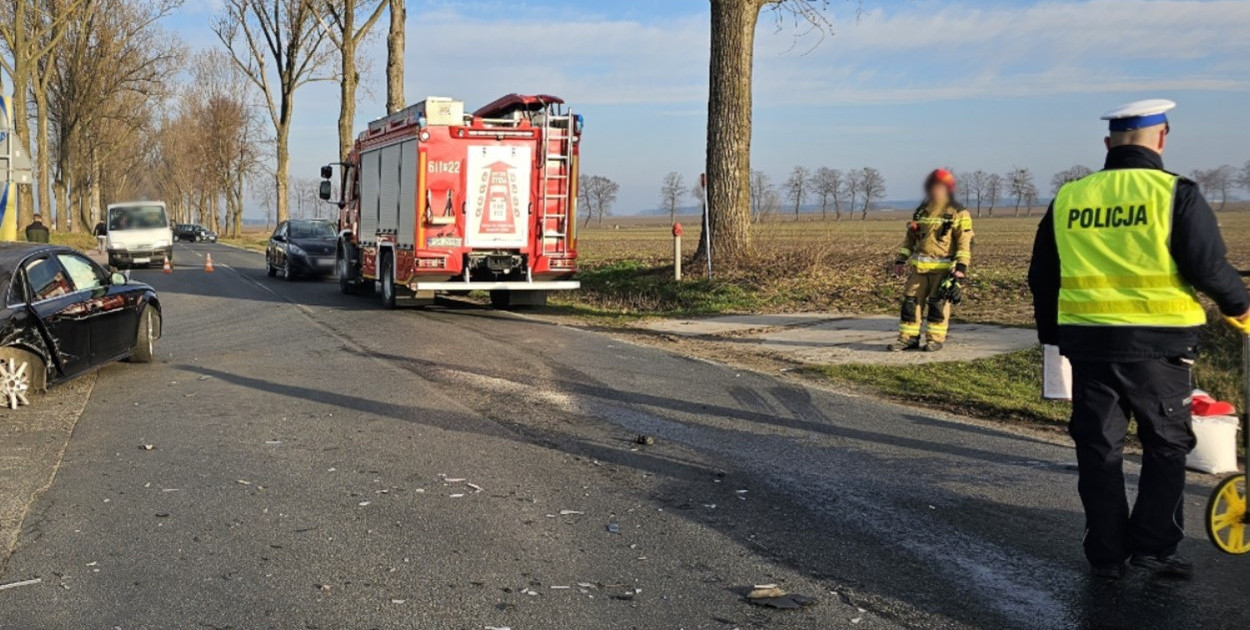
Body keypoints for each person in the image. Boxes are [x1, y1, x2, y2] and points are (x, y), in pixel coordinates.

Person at [1028, 99, 1250, 581]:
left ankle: (1105, 555)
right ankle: (1153, 548)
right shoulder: (1175, 193)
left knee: (1098, 446)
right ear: (1162, 137)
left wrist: (1054, 338)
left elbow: (1042, 275)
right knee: (1166, 443)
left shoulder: (1070, 196)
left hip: (1088, 345)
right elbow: (1208, 266)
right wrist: (1240, 307)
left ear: (1109, 143)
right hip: (1159, 346)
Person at [888, 169, 974, 352]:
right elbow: (910, 239)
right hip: (919, 270)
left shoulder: (959, 213)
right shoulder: (921, 212)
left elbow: (964, 242)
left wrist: (961, 268)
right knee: (910, 303)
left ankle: (935, 340)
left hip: (943, 270)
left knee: (938, 304)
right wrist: (900, 260)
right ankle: (908, 339)